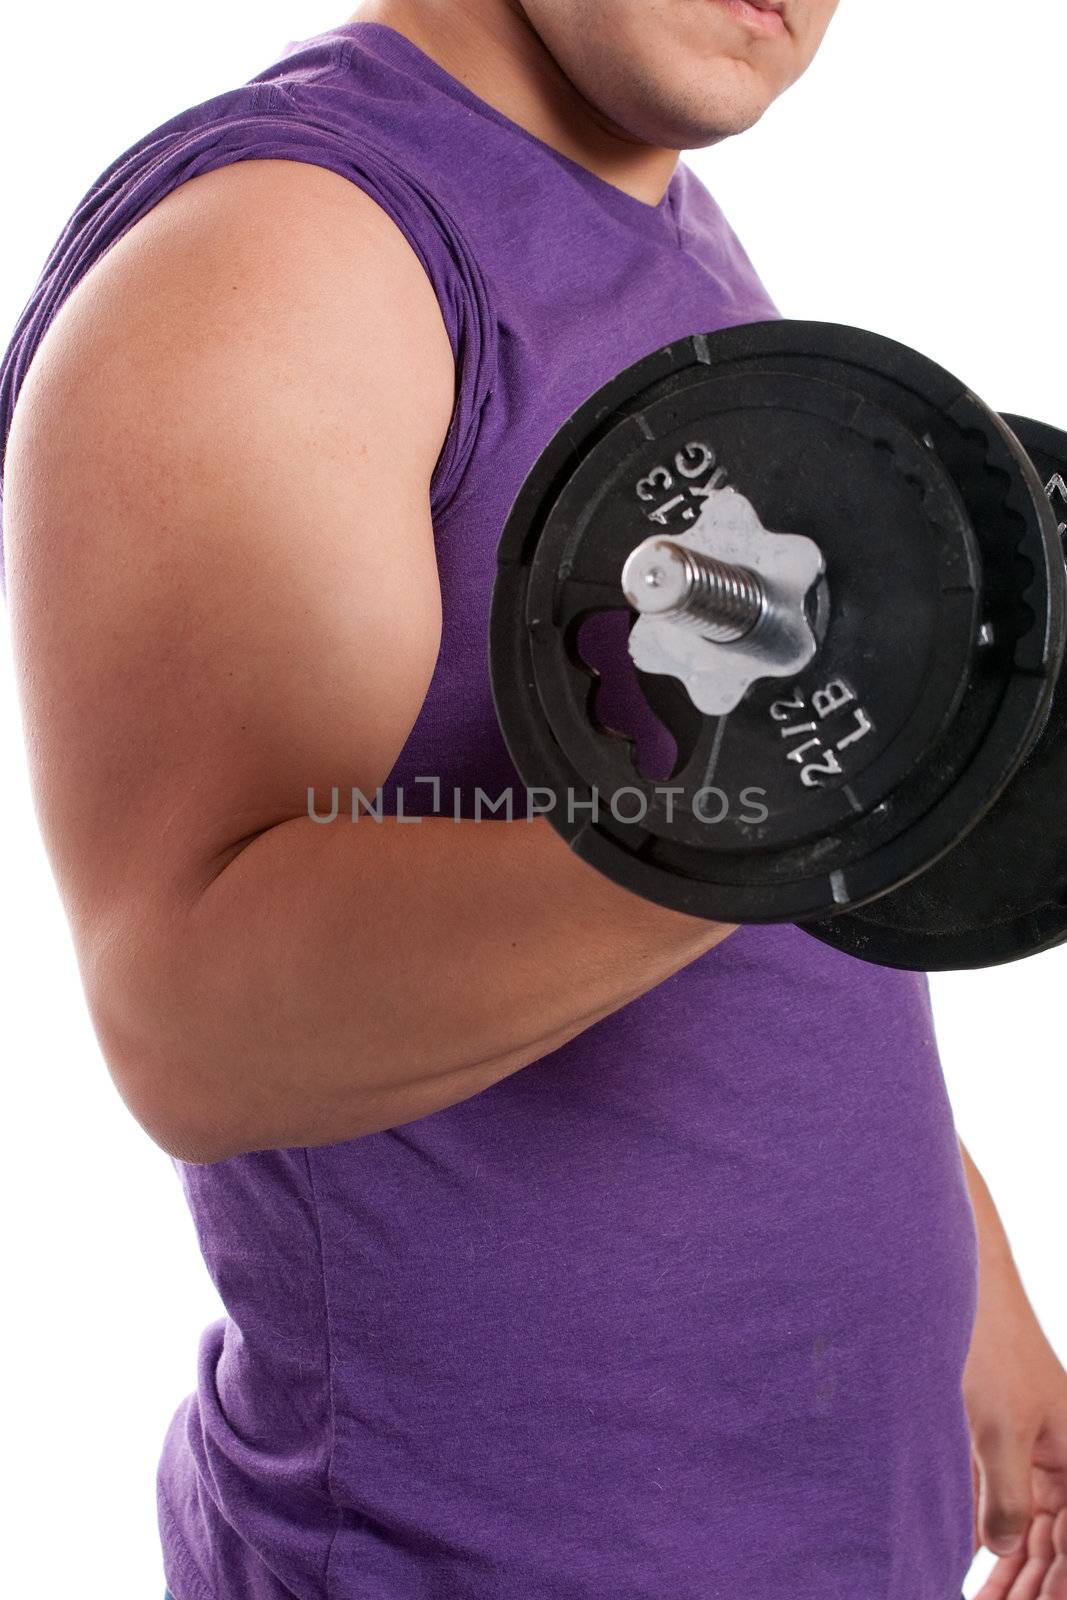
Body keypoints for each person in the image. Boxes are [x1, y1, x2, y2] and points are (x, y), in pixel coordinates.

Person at [1, 2, 1065, 1597]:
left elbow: (751, 919)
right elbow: (191, 1012)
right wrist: (793, 795)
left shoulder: (660, 220)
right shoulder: (293, 248)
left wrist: (962, 1269)